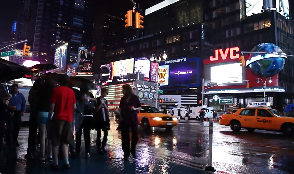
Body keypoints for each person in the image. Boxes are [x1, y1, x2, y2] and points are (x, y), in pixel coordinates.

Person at [48, 75, 76, 170]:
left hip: (58, 118)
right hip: (68, 119)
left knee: (55, 141)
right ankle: (66, 162)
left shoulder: (56, 90)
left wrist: (49, 117)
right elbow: (74, 107)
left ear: (59, 81)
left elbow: (52, 106)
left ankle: (55, 163)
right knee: (65, 141)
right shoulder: (71, 92)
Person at [119, 84, 141, 160]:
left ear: (127, 90)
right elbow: (120, 108)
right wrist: (118, 113)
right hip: (124, 119)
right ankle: (126, 152)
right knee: (125, 137)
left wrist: (134, 108)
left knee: (135, 135)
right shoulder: (122, 99)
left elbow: (139, 107)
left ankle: (133, 149)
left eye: (123, 89)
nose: (122, 91)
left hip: (133, 119)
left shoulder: (134, 98)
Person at [37, 77, 54, 163]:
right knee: (50, 136)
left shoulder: (40, 91)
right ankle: (50, 155)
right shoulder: (53, 91)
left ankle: (42, 155)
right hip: (51, 113)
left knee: (42, 135)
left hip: (41, 113)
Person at [25, 78, 42, 159]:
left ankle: (31, 150)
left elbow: (30, 100)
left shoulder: (32, 92)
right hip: (41, 113)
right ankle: (40, 148)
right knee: (42, 132)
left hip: (33, 114)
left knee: (32, 133)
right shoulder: (43, 92)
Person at [94, 88, 110, 154]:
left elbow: (107, 110)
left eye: (106, 93)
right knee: (98, 134)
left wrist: (104, 103)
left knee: (105, 133)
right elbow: (96, 110)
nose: (105, 94)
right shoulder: (97, 100)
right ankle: (98, 148)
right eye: (104, 92)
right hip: (98, 119)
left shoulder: (105, 100)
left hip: (105, 119)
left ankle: (103, 146)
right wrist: (100, 104)